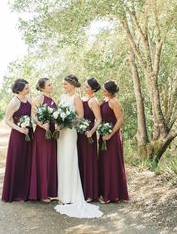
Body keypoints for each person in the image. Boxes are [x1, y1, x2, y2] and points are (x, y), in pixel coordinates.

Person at [54, 74, 103, 218]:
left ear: (72, 85)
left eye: (65, 84)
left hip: (70, 132)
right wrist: (58, 123)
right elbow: (58, 113)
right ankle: (62, 195)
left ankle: (71, 195)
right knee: (61, 161)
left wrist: (66, 122)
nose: (63, 85)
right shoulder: (62, 97)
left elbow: (80, 116)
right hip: (61, 133)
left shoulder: (76, 98)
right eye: (63, 83)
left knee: (69, 160)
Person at [98, 80, 129, 204]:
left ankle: (111, 195)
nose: (103, 91)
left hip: (112, 137)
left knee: (111, 165)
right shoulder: (105, 100)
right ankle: (105, 191)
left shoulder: (114, 102)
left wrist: (110, 135)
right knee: (104, 164)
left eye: (105, 89)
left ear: (110, 91)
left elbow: (120, 120)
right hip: (103, 136)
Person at [2, 78, 32, 202]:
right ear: (19, 90)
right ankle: (14, 193)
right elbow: (7, 120)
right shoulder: (14, 102)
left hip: (29, 135)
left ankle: (26, 192)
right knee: (17, 162)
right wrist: (20, 129)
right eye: (26, 88)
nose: (29, 89)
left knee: (28, 162)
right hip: (18, 137)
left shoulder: (29, 100)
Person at [28, 78, 57, 202]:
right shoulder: (38, 99)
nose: (51, 86)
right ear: (42, 87)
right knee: (43, 160)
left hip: (52, 133)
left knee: (51, 159)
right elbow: (33, 116)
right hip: (42, 133)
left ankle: (51, 191)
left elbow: (57, 114)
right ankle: (42, 193)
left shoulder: (53, 99)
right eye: (49, 85)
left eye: (51, 84)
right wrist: (41, 125)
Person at [77, 78, 101, 202]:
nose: (84, 88)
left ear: (93, 89)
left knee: (89, 162)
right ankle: (81, 191)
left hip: (89, 135)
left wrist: (92, 131)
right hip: (80, 134)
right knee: (80, 160)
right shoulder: (82, 99)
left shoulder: (93, 101)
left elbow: (99, 119)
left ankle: (91, 193)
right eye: (84, 86)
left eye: (87, 87)